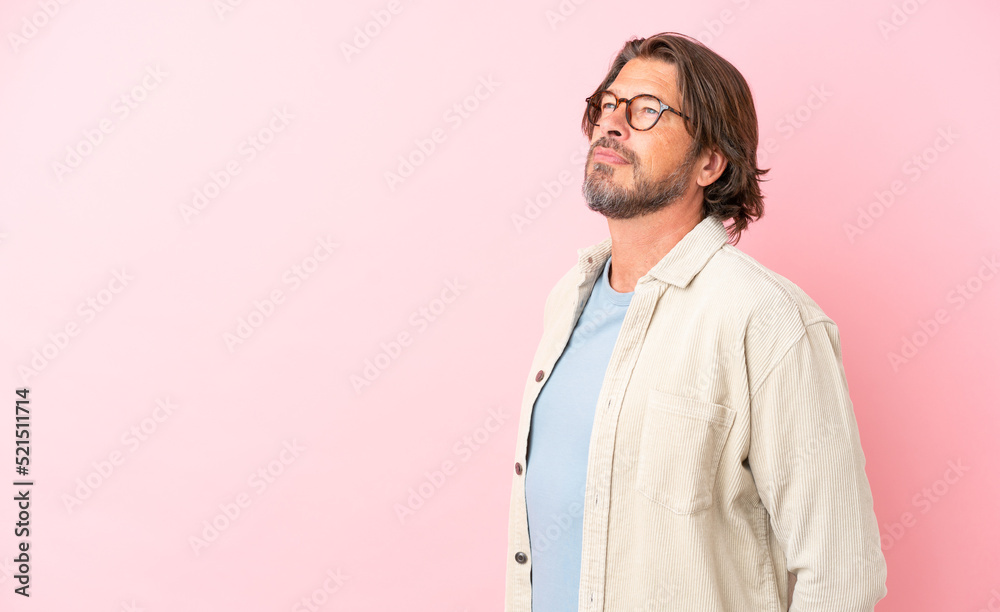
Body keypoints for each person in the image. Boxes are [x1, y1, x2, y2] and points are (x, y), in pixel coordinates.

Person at [503, 32, 887, 611]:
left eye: (646, 111)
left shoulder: (766, 319)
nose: (612, 123)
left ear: (710, 162)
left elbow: (840, 576)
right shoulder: (569, 298)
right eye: (607, 104)